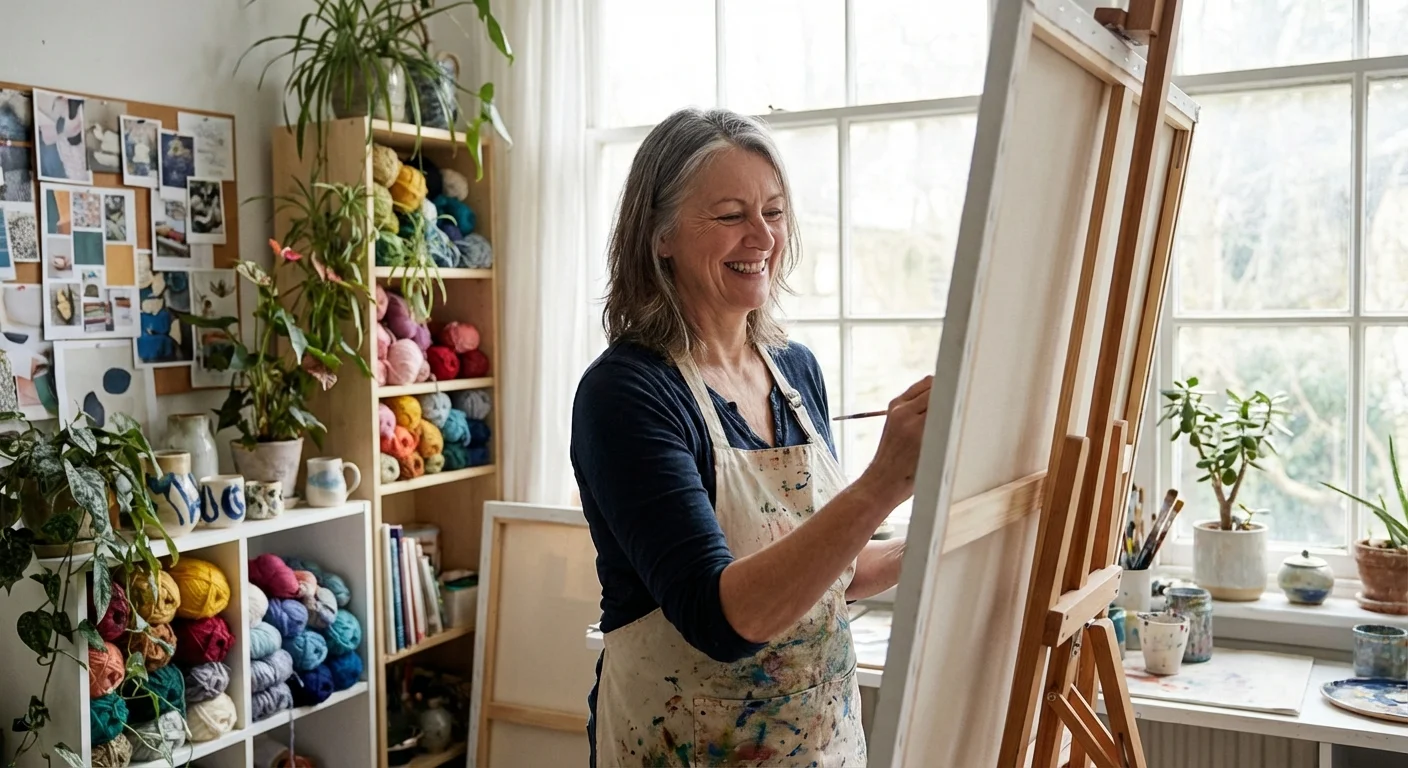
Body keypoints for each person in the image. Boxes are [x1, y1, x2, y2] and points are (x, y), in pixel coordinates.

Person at [571, 106, 933, 767]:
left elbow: (836, 576)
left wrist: (959, 513)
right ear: (661, 237)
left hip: (821, 751)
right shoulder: (626, 394)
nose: (762, 236)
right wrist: (885, 483)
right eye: (732, 214)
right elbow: (723, 619)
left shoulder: (795, 371)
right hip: (680, 749)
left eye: (774, 211)